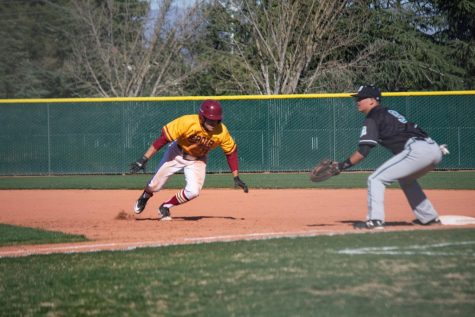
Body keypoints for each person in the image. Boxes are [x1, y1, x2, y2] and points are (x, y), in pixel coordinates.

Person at [337, 85, 448, 229]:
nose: (357, 101)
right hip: (434, 149)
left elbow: (363, 151)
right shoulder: (388, 112)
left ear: (372, 101)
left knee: (375, 179)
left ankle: (375, 220)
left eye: (360, 98)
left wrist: (342, 165)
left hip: (417, 150)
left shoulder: (373, 117)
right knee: (406, 180)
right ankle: (429, 218)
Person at [129, 99, 248, 220]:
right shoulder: (187, 122)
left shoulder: (221, 132)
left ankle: (165, 207)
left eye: (216, 120)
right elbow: (163, 139)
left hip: (198, 160)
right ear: (202, 117)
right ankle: (146, 194)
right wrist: (143, 159)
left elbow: (231, 152)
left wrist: (236, 176)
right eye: (210, 120)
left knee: (193, 191)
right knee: (155, 186)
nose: (213, 123)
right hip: (176, 153)